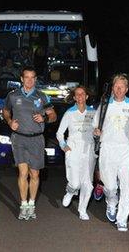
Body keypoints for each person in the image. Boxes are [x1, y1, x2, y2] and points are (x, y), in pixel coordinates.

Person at [3, 66, 57, 221]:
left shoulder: (42, 96)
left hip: (37, 139)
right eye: (27, 77)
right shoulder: (13, 96)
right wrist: (9, 121)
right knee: (23, 173)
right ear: (21, 79)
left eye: (33, 77)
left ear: (35, 79)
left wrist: (45, 118)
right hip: (19, 138)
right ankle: (23, 205)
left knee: (35, 174)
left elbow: (53, 115)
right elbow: (5, 111)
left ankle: (32, 204)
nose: (30, 80)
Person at [93, 73, 129, 232]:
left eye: (122, 86)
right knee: (110, 186)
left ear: (127, 89)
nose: (119, 89)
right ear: (112, 87)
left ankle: (122, 219)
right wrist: (96, 132)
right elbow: (95, 127)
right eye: (116, 86)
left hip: (126, 150)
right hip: (108, 149)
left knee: (127, 187)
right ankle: (111, 202)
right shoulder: (104, 105)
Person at [56, 86, 95, 220]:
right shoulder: (69, 113)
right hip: (73, 149)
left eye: (82, 94)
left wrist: (98, 134)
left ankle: (82, 209)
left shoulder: (93, 112)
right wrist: (63, 145)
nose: (80, 96)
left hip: (89, 149)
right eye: (77, 94)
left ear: (86, 96)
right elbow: (59, 133)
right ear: (74, 97)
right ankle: (70, 191)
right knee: (75, 182)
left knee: (88, 184)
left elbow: (98, 131)